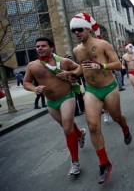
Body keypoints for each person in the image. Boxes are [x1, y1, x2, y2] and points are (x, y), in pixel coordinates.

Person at [70, 12, 132, 184]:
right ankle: (104, 163)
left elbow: (118, 65)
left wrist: (102, 65)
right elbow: (83, 67)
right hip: (91, 90)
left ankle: (125, 128)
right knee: (92, 126)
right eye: (74, 30)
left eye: (79, 29)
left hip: (109, 87)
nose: (77, 33)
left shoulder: (103, 44)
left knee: (117, 117)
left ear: (88, 28)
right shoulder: (77, 50)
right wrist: (74, 74)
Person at [23, 37, 86, 176]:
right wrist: (34, 89)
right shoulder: (32, 65)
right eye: (37, 46)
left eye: (43, 46)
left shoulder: (64, 61)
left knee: (67, 129)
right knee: (66, 127)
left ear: (51, 47)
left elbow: (79, 68)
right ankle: (80, 134)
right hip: (51, 102)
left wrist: (71, 74)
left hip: (67, 97)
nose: (39, 48)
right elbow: (26, 82)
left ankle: (75, 162)